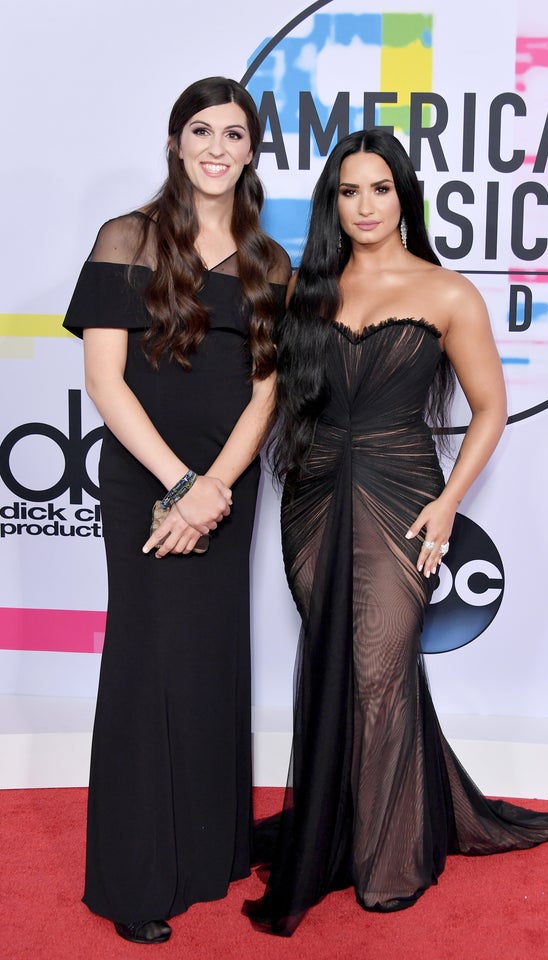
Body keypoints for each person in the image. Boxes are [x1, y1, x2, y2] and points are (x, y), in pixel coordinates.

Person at [244, 129, 548, 936]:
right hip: (315, 497)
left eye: (380, 189)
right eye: (349, 191)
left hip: (404, 498)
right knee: (335, 666)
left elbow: (490, 410)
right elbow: (267, 399)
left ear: (404, 197)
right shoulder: (303, 291)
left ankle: (390, 855)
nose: (365, 206)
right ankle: (339, 830)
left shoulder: (447, 292)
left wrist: (451, 501)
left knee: (383, 668)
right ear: (333, 203)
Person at [63, 77, 290, 944]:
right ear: (174, 141)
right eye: (202, 130)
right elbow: (104, 381)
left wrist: (217, 487)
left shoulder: (272, 261)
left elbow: (268, 396)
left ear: (251, 153)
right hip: (145, 486)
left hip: (228, 490)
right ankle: (135, 877)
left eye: (235, 135)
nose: (217, 148)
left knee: (208, 663)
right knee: (147, 666)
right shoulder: (128, 236)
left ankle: (206, 853)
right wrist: (179, 485)